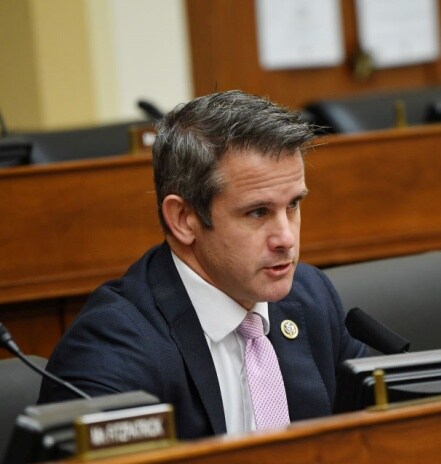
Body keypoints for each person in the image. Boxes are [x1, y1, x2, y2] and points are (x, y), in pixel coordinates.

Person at [38, 90, 367, 439]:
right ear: (183, 219)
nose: (285, 238)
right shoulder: (113, 347)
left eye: (293, 206)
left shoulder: (311, 297)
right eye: (258, 212)